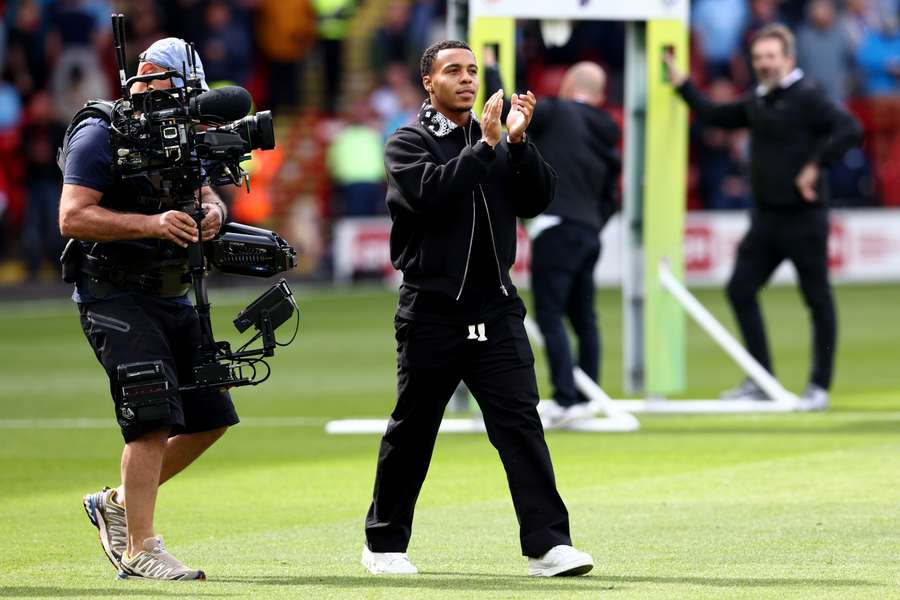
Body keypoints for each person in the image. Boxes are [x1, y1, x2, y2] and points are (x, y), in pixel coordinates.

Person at [361, 40, 594, 577]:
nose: (466, 79)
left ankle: (547, 545)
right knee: (413, 429)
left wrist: (518, 142)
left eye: (471, 71)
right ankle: (383, 544)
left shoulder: (497, 140)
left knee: (520, 426)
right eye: (453, 71)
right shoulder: (407, 142)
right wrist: (487, 148)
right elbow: (431, 195)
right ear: (429, 82)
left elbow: (538, 200)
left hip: (497, 306)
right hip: (432, 310)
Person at [59, 38, 237, 580]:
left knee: (211, 418)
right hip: (112, 293)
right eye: (180, 91)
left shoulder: (181, 135)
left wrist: (211, 211)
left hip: (170, 290)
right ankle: (141, 548)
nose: (187, 105)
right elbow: (72, 216)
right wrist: (152, 224)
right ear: (152, 76)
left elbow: (208, 192)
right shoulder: (100, 132)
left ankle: (114, 501)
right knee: (152, 416)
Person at [664, 24, 862, 408]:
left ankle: (818, 387)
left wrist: (815, 166)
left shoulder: (808, 96)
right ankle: (760, 378)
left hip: (805, 217)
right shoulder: (760, 99)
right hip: (767, 218)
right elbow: (716, 115)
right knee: (740, 289)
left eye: (771, 57)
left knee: (817, 299)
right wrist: (683, 84)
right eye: (758, 58)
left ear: (789, 59)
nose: (764, 64)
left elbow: (850, 129)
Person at [482, 55, 621, 428]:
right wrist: (592, 223)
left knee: (550, 316)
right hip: (589, 232)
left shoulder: (558, 113)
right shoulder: (608, 129)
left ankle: (565, 398)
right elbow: (612, 197)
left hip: (557, 228)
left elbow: (513, 113)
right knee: (584, 317)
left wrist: (493, 68)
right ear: (601, 94)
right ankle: (587, 393)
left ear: (567, 87)